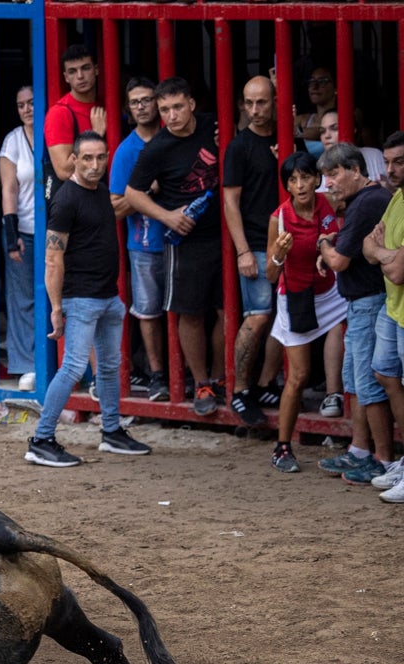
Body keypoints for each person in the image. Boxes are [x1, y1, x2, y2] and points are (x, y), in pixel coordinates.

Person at [25, 131, 150, 467]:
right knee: (73, 368)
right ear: (74, 160)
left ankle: (111, 432)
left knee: (109, 367)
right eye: (88, 159)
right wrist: (55, 308)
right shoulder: (66, 199)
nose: (95, 165)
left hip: (108, 296)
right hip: (80, 299)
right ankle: (41, 439)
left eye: (101, 157)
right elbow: (52, 258)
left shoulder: (99, 192)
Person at [124, 77, 225, 416]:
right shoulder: (158, 147)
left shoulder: (214, 125)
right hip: (185, 241)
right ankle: (202, 383)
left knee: (227, 311)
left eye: (177, 106)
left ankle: (224, 378)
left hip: (224, 234)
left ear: (192, 104)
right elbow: (131, 194)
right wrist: (167, 217)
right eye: (164, 109)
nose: (171, 115)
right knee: (190, 312)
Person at [315, 142, 393, 484]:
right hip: (362, 302)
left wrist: (323, 243)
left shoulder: (366, 203)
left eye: (333, 175)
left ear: (356, 170)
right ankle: (361, 450)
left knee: (368, 383)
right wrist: (333, 242)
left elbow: (338, 261)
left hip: (368, 302)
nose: (328, 184)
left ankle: (382, 459)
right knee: (359, 382)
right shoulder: (366, 201)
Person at [264, 152, 346, 473]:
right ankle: (282, 447)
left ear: (316, 179)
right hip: (296, 296)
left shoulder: (328, 202)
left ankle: (358, 441)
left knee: (357, 337)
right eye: (293, 180)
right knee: (297, 376)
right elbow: (271, 276)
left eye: (305, 177)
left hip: (331, 292)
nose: (300, 185)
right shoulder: (279, 218)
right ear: (286, 185)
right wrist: (279, 257)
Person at [225, 76, 286, 425]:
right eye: (248, 103)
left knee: (286, 317)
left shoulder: (285, 140)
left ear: (276, 101)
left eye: (261, 102)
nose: (254, 110)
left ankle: (266, 384)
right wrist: (243, 250)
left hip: (289, 241)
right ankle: (241, 391)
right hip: (257, 244)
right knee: (259, 315)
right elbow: (230, 202)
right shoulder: (240, 146)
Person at [108, 76, 167, 402]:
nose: (142, 106)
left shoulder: (172, 138)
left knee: (185, 312)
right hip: (144, 245)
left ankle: (183, 374)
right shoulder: (127, 150)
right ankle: (158, 376)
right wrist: (148, 190)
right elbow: (115, 207)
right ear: (128, 110)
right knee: (147, 312)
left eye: (147, 100)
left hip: (182, 241)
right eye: (135, 102)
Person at [363, 132, 404, 500]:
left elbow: (397, 271)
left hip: (402, 307)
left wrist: (380, 250)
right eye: (388, 162)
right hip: (394, 309)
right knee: (385, 375)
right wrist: (381, 250)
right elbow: (366, 245)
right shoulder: (397, 199)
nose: (390, 169)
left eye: (399, 162)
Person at [0, 84, 37, 391]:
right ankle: (26, 365)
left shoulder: (54, 133)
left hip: (56, 230)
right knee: (22, 299)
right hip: (23, 229)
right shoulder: (12, 140)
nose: (26, 109)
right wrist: (12, 236)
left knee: (58, 297)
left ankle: (60, 361)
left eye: (32, 102)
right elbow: (9, 188)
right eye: (21, 104)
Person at [44, 45, 107, 185]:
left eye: (85, 68)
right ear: (66, 77)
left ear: (96, 70)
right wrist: (95, 136)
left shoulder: (105, 104)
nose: (80, 76)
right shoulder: (59, 113)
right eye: (72, 71)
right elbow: (63, 171)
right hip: (77, 202)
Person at [295, 66, 336, 158]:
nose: (315, 86)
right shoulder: (303, 119)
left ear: (336, 88)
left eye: (322, 81)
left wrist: (297, 133)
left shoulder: (350, 114)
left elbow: (319, 131)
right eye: (312, 81)